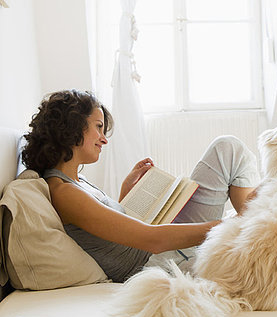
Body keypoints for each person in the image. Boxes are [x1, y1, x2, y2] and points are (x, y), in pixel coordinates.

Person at [22, 90, 260, 282]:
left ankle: (252, 222)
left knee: (228, 150)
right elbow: (152, 240)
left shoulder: (74, 183)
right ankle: (252, 223)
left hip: (155, 252)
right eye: (98, 127)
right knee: (229, 150)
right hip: (158, 261)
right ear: (72, 126)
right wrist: (232, 224)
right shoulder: (64, 192)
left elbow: (108, 233)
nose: (104, 139)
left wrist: (127, 189)